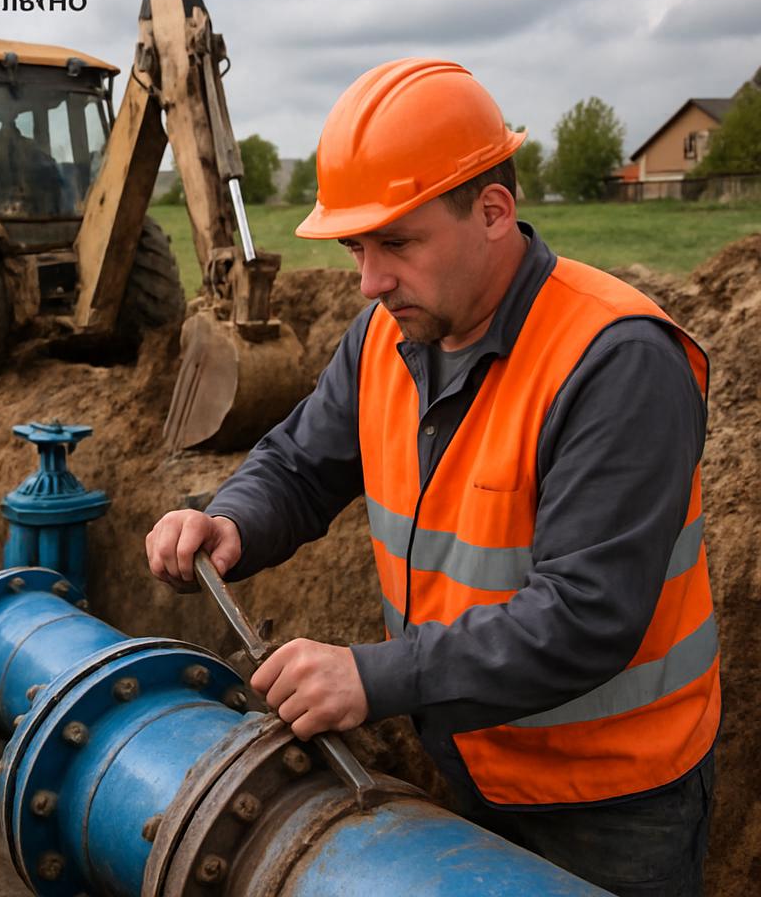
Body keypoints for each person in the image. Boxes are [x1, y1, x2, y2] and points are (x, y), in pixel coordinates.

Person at [145, 59, 719, 896]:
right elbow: (303, 462)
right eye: (357, 248)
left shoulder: (616, 360)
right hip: (471, 760)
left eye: (398, 243)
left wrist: (371, 678)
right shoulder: (389, 333)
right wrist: (231, 520)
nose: (370, 281)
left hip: (612, 800)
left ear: (493, 211)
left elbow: (589, 614)